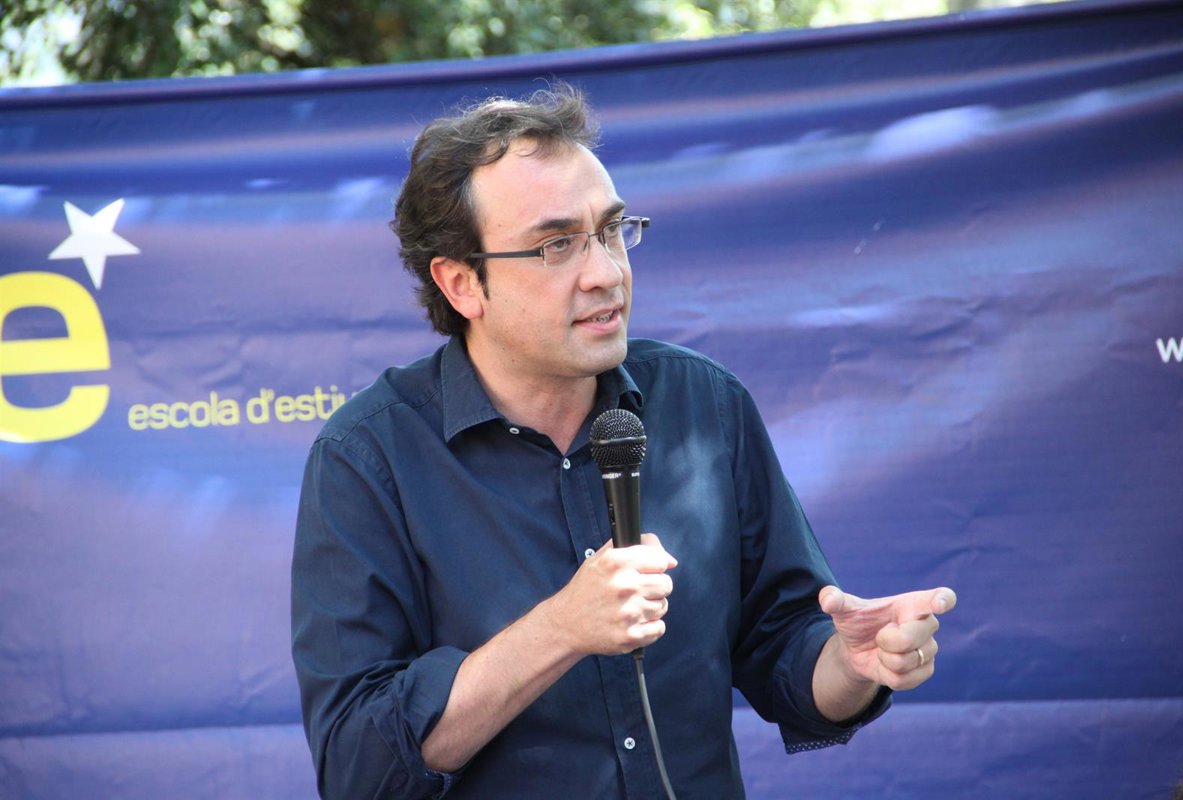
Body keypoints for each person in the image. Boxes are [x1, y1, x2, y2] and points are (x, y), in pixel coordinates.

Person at [291, 83, 956, 799]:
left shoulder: (705, 403)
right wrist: (559, 630)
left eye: (611, 231)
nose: (607, 273)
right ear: (462, 285)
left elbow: (783, 647)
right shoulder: (369, 457)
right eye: (556, 246)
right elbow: (361, 766)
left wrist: (852, 665)